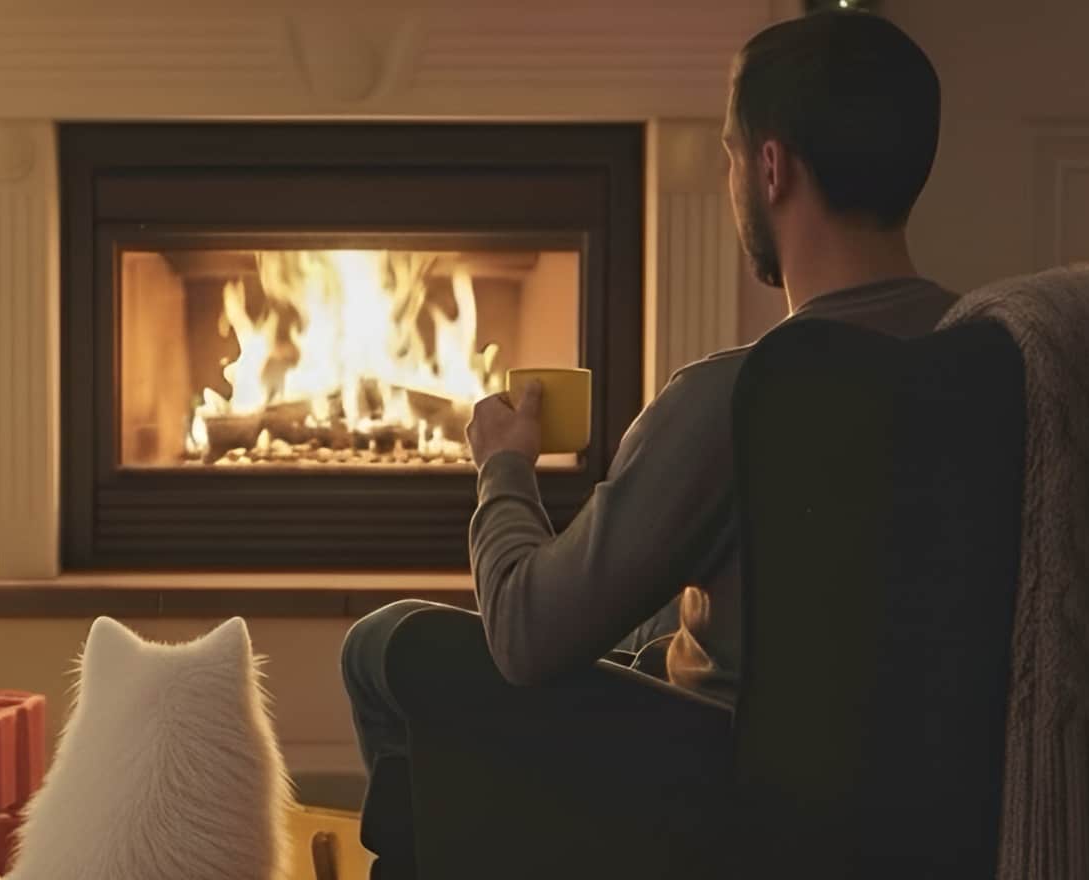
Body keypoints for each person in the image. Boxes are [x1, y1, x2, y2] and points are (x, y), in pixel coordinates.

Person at [341, 11, 956, 878]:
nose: (732, 178)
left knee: (383, 641)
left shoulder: (739, 398)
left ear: (771, 167)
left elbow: (525, 633)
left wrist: (505, 467)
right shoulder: (997, 354)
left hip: (724, 789)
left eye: (730, 156)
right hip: (914, 790)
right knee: (657, 612)